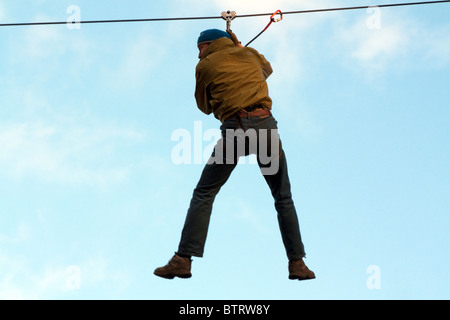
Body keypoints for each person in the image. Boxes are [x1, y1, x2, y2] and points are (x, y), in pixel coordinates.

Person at [154, 29, 315, 281]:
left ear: (209, 46)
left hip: (236, 131)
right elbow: (267, 69)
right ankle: (297, 264)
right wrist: (239, 48)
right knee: (283, 197)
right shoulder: (250, 54)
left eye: (200, 48)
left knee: (204, 193)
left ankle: (183, 260)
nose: (198, 54)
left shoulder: (205, 66)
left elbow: (204, 107)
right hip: (266, 129)